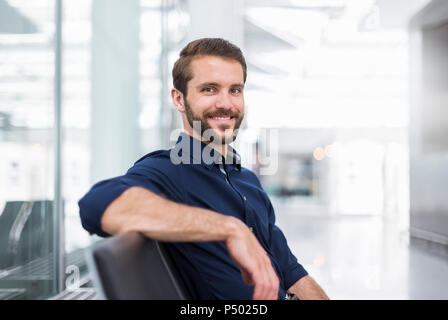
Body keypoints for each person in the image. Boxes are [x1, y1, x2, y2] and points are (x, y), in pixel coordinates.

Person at [79, 38, 329, 300]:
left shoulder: (247, 181)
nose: (226, 103)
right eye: (209, 89)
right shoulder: (169, 170)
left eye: (235, 90)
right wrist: (230, 228)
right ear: (179, 98)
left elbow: (293, 273)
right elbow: (96, 204)